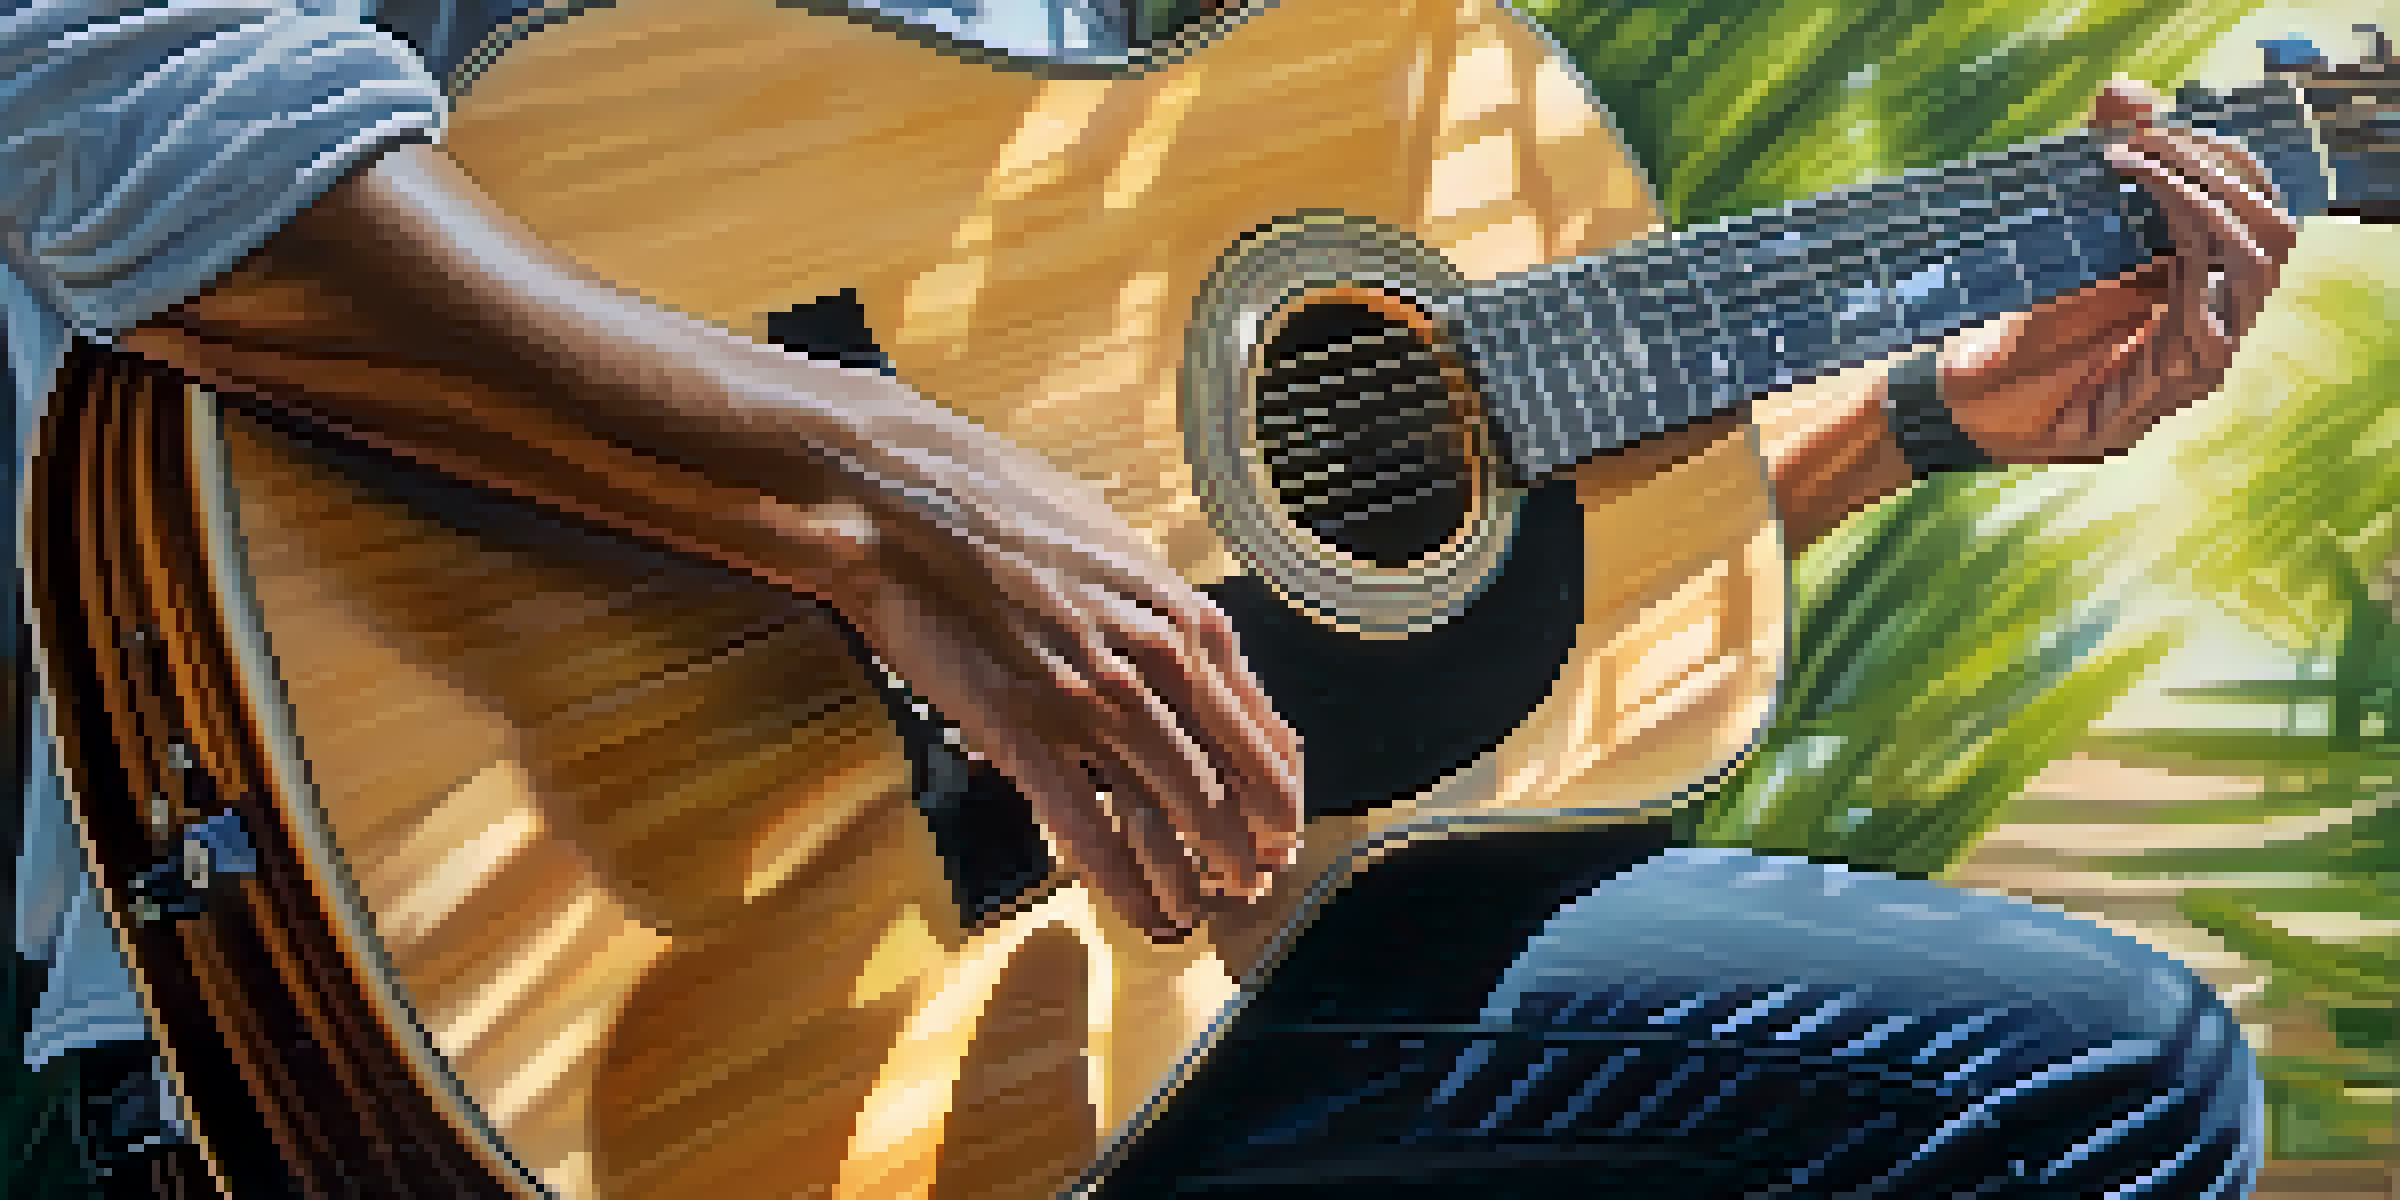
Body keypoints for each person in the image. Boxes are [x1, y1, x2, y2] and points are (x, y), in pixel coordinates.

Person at [4, 0, 2293, 1195]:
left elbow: (1349, 643)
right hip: (452, 936)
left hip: (1072, 991)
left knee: (2074, 1068)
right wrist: (877, 489)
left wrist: (1912, 422)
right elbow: (97, 84)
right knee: (2078, 1086)